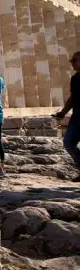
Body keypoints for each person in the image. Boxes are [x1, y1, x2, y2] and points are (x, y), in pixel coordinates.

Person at [54, 51, 80, 183]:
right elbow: (73, 97)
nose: (72, 63)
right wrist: (63, 112)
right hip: (77, 117)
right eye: (72, 61)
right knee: (68, 142)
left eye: (75, 60)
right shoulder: (75, 78)